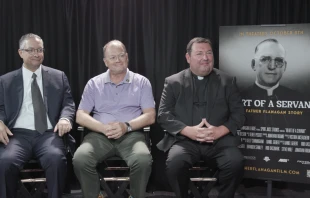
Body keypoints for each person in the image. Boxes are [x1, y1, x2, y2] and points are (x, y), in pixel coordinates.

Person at [157, 37, 245, 198]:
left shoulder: (228, 81)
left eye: (209, 53)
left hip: (220, 142)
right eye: (199, 53)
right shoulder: (173, 82)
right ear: (188, 57)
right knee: (175, 164)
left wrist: (220, 131)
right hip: (185, 141)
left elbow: (239, 114)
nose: (205, 57)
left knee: (235, 163)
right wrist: (187, 131)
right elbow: (163, 115)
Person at [73, 40, 155, 198]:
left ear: (127, 57)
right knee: (80, 159)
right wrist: (102, 128)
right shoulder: (93, 84)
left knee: (143, 160)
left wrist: (126, 126)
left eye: (121, 55)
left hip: (131, 135)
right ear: (105, 61)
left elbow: (150, 115)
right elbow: (80, 115)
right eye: (112, 57)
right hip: (99, 136)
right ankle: (95, 195)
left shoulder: (142, 82)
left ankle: (136, 196)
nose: (118, 60)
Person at [0, 33, 75, 198]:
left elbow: (68, 104)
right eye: (31, 50)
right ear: (21, 53)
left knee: (56, 160)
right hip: (17, 135)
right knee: (4, 162)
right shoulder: (6, 81)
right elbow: (1, 108)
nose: (36, 54)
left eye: (39, 50)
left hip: (48, 134)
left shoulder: (58, 77)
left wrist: (64, 118)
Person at [242, 38, 303, 127]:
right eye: (265, 59)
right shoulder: (237, 99)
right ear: (253, 64)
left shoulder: (300, 99)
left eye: (279, 60)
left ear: (285, 66)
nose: (272, 66)